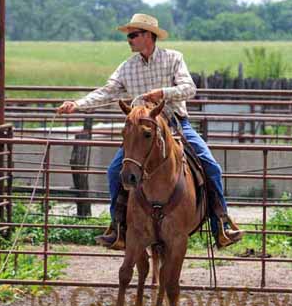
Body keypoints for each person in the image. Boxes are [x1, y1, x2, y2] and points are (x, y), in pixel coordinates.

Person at [57, 13, 244, 250]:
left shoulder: (174, 58)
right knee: (115, 171)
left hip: (174, 125)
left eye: (133, 35)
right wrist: (77, 105)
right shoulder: (127, 68)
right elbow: (106, 92)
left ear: (148, 36)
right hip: (141, 132)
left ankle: (221, 224)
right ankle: (118, 227)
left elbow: (189, 89)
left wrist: (163, 93)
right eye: (129, 35)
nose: (129, 39)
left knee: (211, 166)